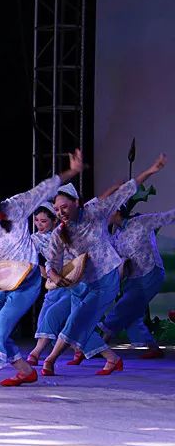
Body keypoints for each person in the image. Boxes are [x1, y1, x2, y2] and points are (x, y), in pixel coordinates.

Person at [0, 149, 85, 389]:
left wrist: (72, 171)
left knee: (0, 329)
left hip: (26, 281)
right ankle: (25, 371)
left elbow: (44, 189)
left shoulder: (15, 206)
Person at [43, 153, 167, 376]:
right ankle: (112, 359)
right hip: (82, 282)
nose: (60, 213)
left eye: (64, 207)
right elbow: (51, 263)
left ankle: (50, 360)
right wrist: (55, 277)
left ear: (77, 203)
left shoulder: (95, 211)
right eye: (57, 210)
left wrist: (151, 170)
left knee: (79, 319)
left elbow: (126, 191)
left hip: (107, 278)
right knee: (76, 320)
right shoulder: (59, 233)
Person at [99, 201, 175, 358]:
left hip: (150, 273)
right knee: (132, 314)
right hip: (133, 280)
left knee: (123, 307)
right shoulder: (116, 236)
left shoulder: (140, 222)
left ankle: (100, 345)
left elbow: (166, 217)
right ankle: (152, 347)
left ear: (117, 210)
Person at [25, 202, 74, 365]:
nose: (39, 224)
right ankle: (81, 350)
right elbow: (32, 260)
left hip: (71, 280)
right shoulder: (35, 239)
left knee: (55, 316)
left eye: (43, 221)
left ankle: (37, 353)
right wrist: (46, 272)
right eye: (36, 220)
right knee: (45, 319)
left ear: (54, 220)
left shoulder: (64, 232)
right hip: (53, 282)